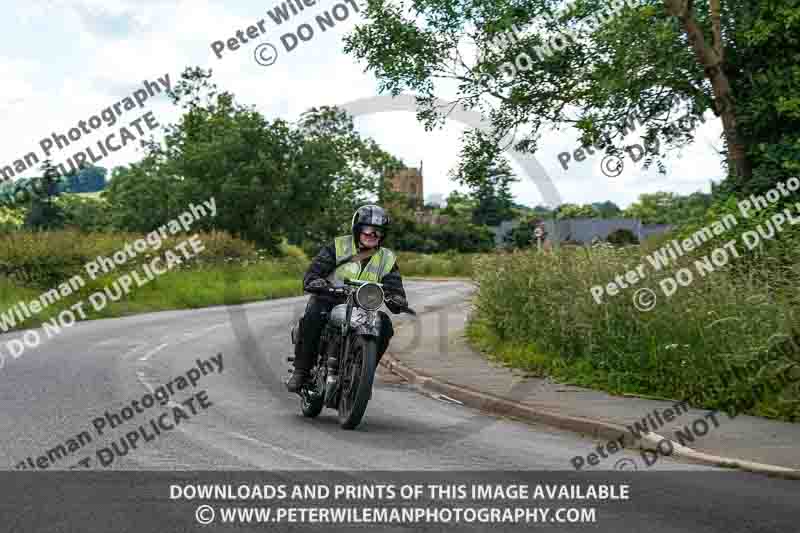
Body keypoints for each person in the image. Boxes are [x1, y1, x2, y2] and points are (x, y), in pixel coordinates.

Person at [286, 205, 408, 392]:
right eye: (367, 229)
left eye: (377, 231)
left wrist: (397, 298)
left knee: (384, 325)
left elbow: (394, 287)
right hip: (330, 299)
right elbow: (313, 274)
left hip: (363, 308)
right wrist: (318, 283)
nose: (372, 234)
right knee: (314, 314)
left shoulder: (387, 258)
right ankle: (301, 371)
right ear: (358, 229)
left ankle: (363, 374)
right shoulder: (339, 246)